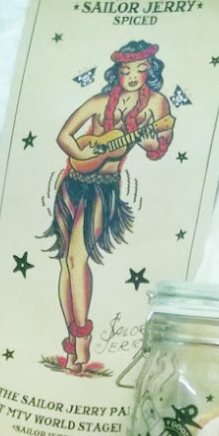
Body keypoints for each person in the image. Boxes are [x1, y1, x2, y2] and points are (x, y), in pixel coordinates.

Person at [41, 40, 174, 373]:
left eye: (140, 69)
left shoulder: (156, 105)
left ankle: (82, 338)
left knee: (77, 258)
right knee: (66, 262)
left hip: (104, 189)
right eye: (126, 70)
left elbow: (158, 147)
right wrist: (84, 153)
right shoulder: (99, 102)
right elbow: (64, 136)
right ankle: (72, 339)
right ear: (118, 71)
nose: (133, 76)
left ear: (150, 70)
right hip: (73, 181)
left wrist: (146, 139)